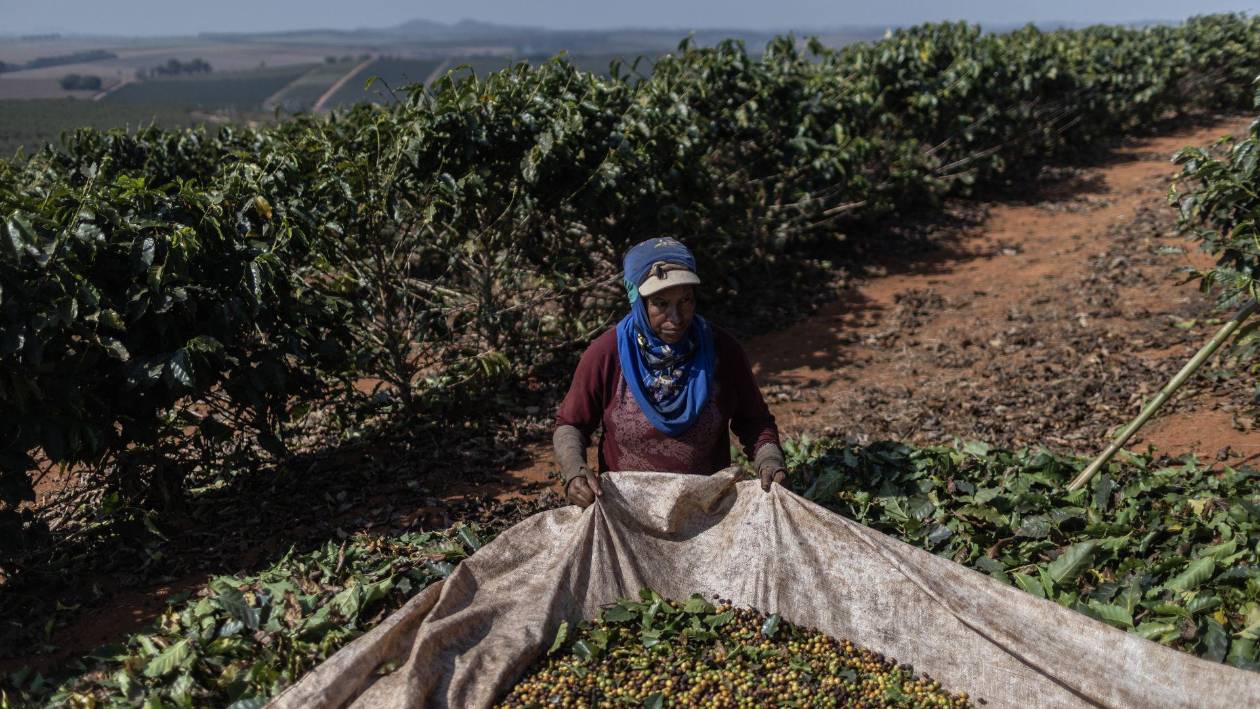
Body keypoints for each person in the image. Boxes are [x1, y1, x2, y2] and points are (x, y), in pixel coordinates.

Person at [553, 237, 787, 507]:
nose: (676, 318)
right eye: (661, 304)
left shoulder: (722, 350)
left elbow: (755, 421)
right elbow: (571, 424)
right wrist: (575, 472)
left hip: (705, 508)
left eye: (685, 300)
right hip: (629, 509)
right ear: (637, 300)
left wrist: (770, 460)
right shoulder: (607, 354)